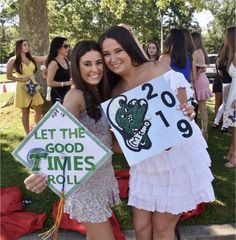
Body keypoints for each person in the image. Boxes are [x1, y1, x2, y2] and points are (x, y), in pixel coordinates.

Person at [99, 25, 215, 240]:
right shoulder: (114, 92)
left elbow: (183, 107)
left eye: (118, 50)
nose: (113, 58)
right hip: (146, 165)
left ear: (129, 48)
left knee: (162, 230)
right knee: (141, 228)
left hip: (175, 160)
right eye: (106, 53)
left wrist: (187, 110)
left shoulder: (157, 68)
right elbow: (120, 144)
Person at [24, 40, 120, 240]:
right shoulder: (75, 96)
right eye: (87, 64)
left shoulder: (102, 92)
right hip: (85, 185)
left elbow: (110, 144)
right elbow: (59, 140)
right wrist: (41, 171)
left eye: (99, 62)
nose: (95, 69)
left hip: (103, 178)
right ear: (77, 66)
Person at [7, 39, 46, 135]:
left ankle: (36, 128)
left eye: (28, 45)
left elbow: (43, 58)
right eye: (25, 45)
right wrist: (20, 79)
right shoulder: (13, 60)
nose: (27, 47)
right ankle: (27, 133)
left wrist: (55, 51)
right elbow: (8, 76)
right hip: (22, 86)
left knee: (39, 106)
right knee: (25, 110)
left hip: (32, 85)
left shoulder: (31, 58)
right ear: (19, 47)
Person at [191, 31, 213, 140]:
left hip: (198, 80)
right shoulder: (201, 51)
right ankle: (204, 131)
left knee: (194, 106)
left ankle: (198, 131)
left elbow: (195, 72)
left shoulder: (194, 53)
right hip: (204, 79)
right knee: (203, 108)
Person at [45, 37, 73, 104]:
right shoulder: (54, 63)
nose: (68, 48)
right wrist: (66, 83)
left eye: (68, 46)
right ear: (58, 48)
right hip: (58, 97)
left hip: (67, 95)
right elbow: (49, 83)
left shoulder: (65, 60)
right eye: (66, 46)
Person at [223, 26, 236, 168]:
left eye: (225, 35)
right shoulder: (233, 53)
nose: (224, 38)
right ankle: (231, 151)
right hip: (232, 92)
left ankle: (235, 157)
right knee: (233, 126)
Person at [212, 44, 232, 132]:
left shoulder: (219, 59)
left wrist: (223, 80)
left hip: (224, 83)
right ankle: (225, 125)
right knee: (229, 104)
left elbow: (219, 73)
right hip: (231, 83)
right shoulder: (230, 59)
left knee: (224, 104)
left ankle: (216, 122)